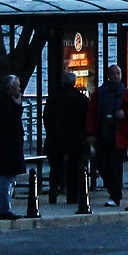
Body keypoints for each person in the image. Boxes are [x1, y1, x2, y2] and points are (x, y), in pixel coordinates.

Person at [92, 67, 128, 208]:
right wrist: (90, 134)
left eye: (118, 73)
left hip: (119, 137)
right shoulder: (99, 93)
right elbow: (92, 114)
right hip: (102, 136)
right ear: (108, 75)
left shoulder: (125, 93)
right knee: (101, 165)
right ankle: (113, 190)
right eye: (113, 73)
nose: (116, 76)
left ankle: (115, 195)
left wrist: (126, 115)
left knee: (115, 167)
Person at [44, 72, 94, 207]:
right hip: (76, 139)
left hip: (56, 139)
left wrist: (52, 132)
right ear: (74, 83)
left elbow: (47, 119)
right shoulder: (82, 99)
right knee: (74, 169)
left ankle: (53, 192)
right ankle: (72, 196)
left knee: (55, 169)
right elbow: (87, 120)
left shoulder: (53, 98)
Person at [0, 74, 26, 220]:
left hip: (8, 146)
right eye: (17, 87)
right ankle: (4, 209)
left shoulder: (4, 101)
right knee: (7, 178)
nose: (19, 90)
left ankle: (5, 207)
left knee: (9, 178)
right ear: (10, 88)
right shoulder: (4, 103)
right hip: (6, 147)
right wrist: (18, 106)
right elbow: (10, 122)